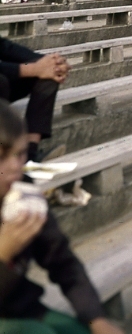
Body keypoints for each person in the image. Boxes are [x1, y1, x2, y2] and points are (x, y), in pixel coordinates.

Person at [0, 101, 124, 333]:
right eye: (1, 158)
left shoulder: (22, 193)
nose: (15, 166)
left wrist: (95, 318)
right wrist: (3, 253)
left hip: (24, 309)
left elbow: (61, 260)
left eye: (20, 154)